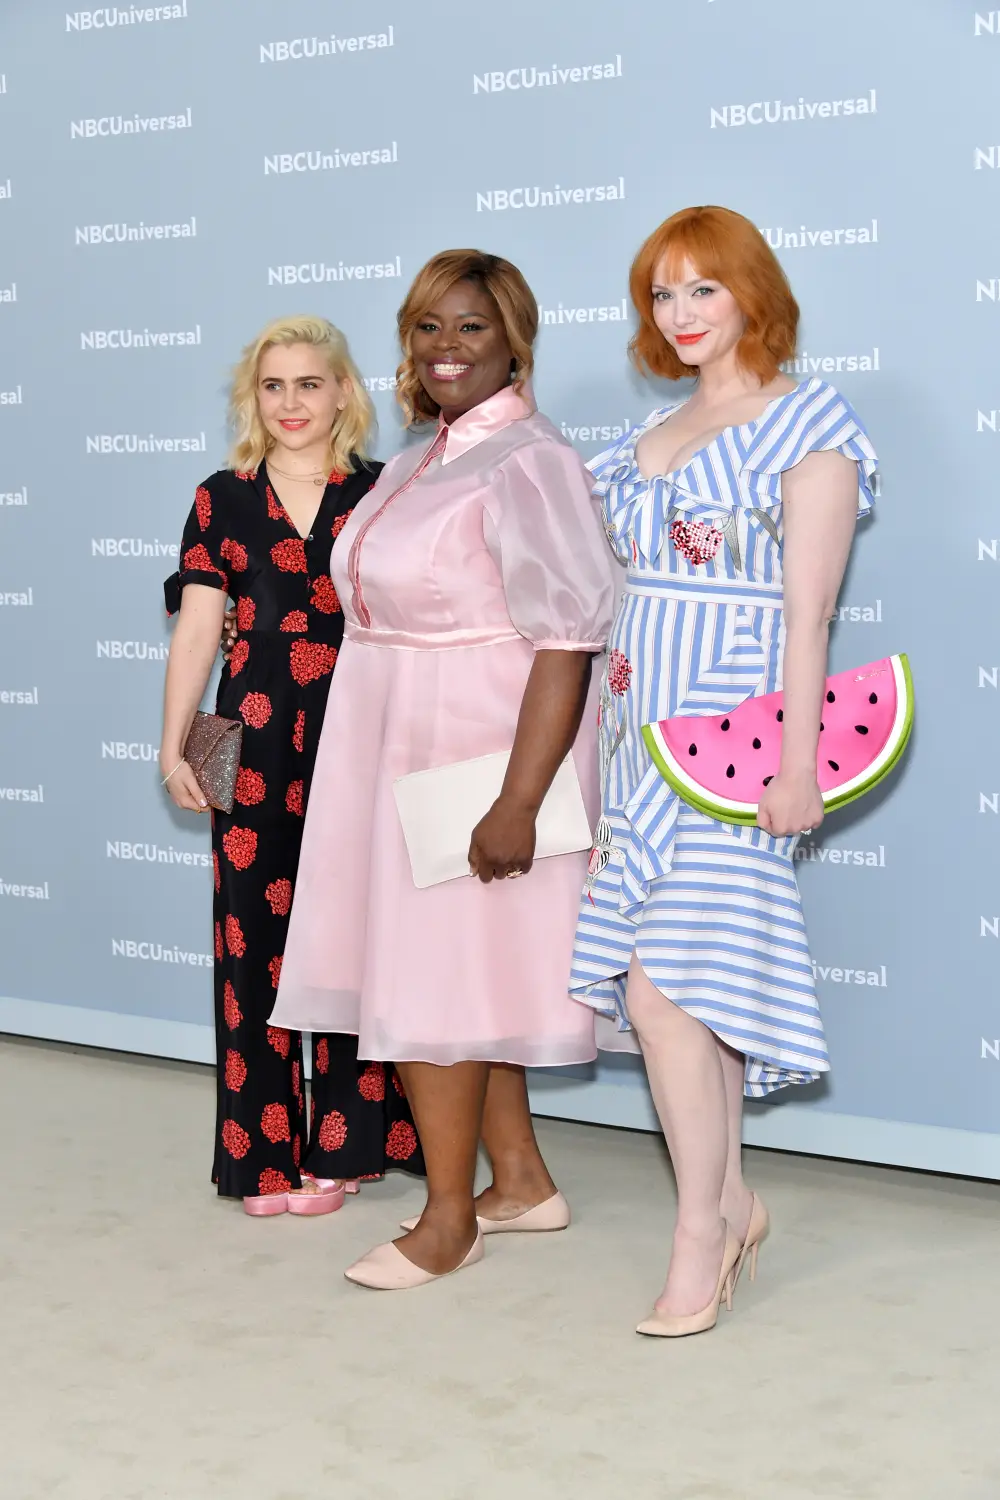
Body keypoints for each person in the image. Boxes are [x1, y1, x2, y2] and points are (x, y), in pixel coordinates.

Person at [268, 251, 616, 1287]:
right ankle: (520, 1182)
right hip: (391, 736)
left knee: (435, 978)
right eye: (427, 327)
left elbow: (567, 637)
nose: (445, 347)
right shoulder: (431, 452)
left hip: (471, 746)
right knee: (459, 974)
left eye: (470, 327)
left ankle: (448, 1217)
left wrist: (518, 799)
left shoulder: (527, 457)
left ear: (516, 339)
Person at [570, 206, 878, 1336]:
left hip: (741, 750)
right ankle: (732, 1201)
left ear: (752, 292)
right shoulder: (644, 435)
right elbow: (608, 614)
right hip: (635, 738)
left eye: (703, 289)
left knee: (664, 992)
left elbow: (809, 619)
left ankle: (699, 1230)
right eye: (661, 293)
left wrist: (795, 766)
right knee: (676, 996)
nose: (681, 314)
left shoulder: (811, 424)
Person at [160, 315, 423, 1215]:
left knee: (353, 940)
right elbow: (201, 628)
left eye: (310, 383)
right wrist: (176, 746)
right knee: (248, 945)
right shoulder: (220, 497)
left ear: (345, 392)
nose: (291, 402)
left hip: (363, 735)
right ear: (253, 398)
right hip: (246, 736)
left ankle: (346, 1144)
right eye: (273, 386)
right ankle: (258, 1155)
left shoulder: (387, 494)